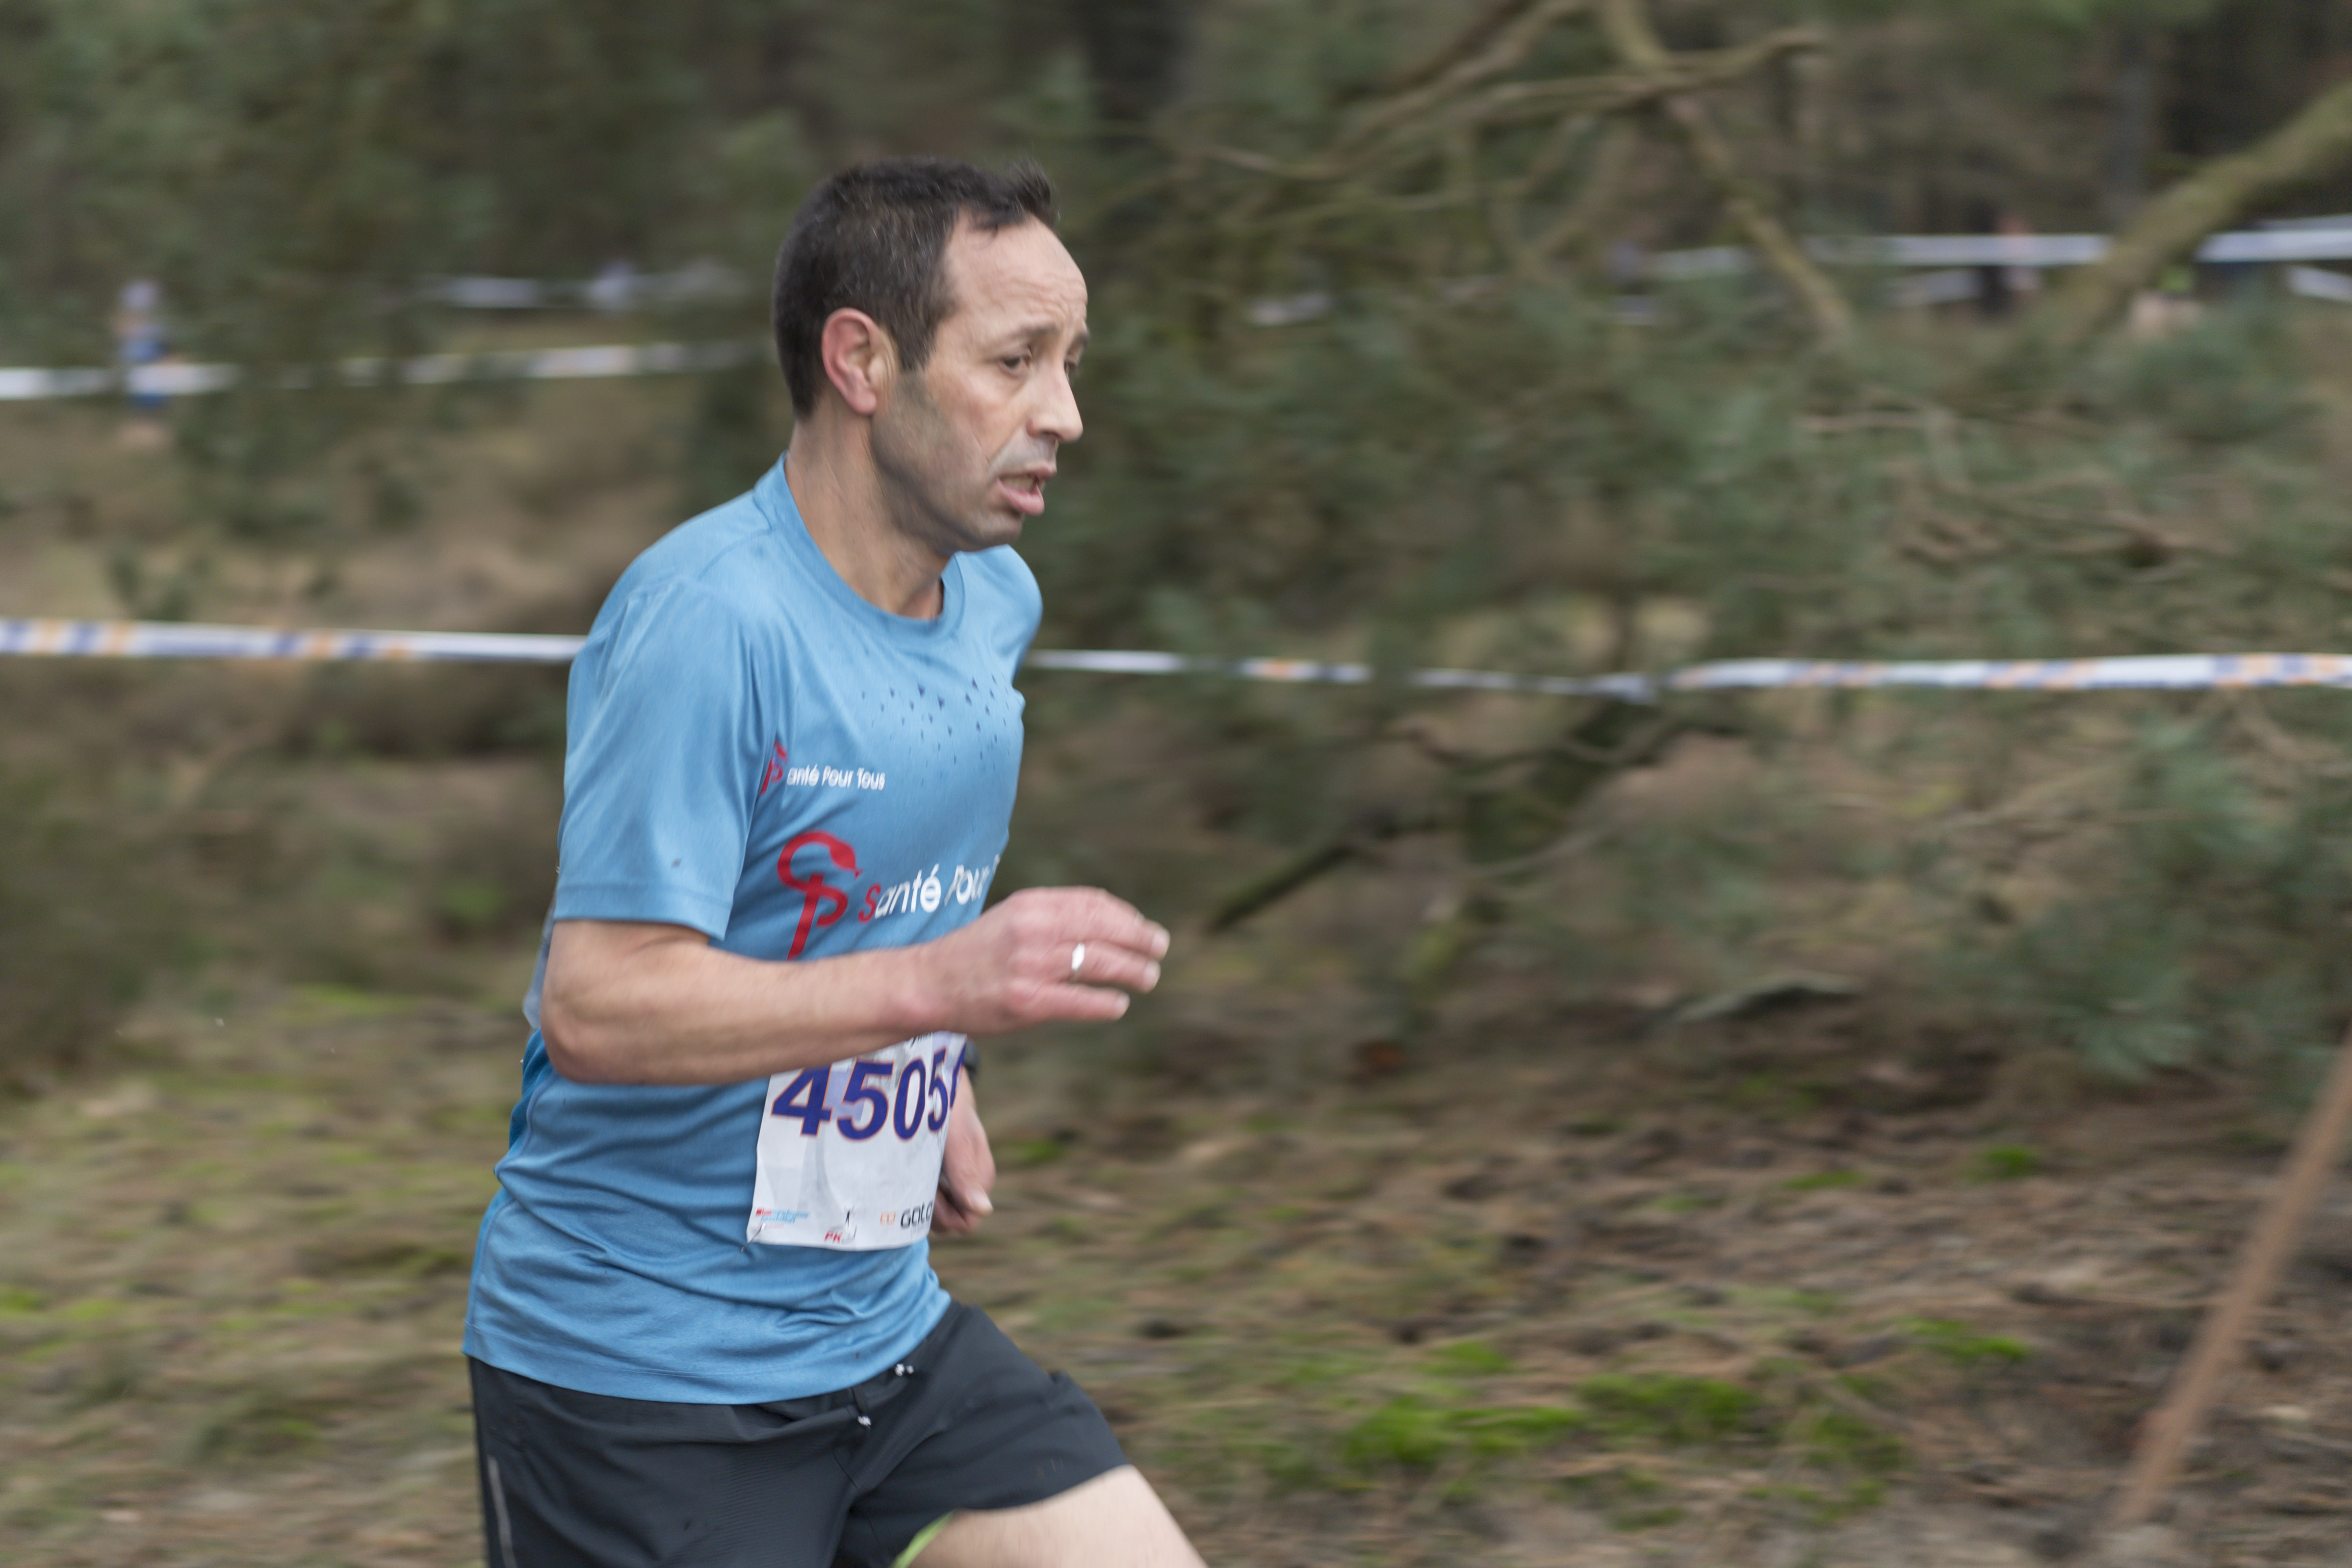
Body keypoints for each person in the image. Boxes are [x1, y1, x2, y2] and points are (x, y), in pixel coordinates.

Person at [463, 158, 1206, 1568]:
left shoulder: (993, 599)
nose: (1065, 413)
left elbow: (865, 894)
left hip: (881, 1340)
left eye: (1070, 362)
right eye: (1015, 361)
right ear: (861, 362)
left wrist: (940, 1069)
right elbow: (599, 1004)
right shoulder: (707, 622)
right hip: (642, 1381)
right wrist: (941, 989)